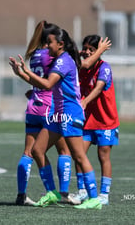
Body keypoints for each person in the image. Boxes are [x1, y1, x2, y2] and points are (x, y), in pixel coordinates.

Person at [10, 26, 102, 210]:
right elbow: (45, 85)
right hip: (57, 114)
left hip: (69, 113)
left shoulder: (64, 61)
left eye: (50, 42)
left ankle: (94, 198)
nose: (47, 45)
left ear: (60, 44)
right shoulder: (60, 60)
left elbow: (47, 84)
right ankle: (53, 192)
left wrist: (26, 72)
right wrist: (22, 74)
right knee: (37, 150)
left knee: (78, 155)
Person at [11, 21, 73, 206]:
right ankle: (62, 193)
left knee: (28, 152)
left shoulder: (35, 54)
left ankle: (21, 195)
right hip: (51, 106)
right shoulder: (53, 56)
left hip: (33, 106)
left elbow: (35, 79)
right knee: (64, 149)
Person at [70, 34, 119, 206]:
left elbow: (99, 88)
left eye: (92, 49)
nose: (87, 52)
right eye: (86, 48)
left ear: (98, 50)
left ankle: (104, 194)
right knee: (78, 154)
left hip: (106, 121)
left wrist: (84, 101)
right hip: (86, 121)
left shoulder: (104, 67)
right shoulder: (82, 68)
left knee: (103, 156)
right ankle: (83, 191)